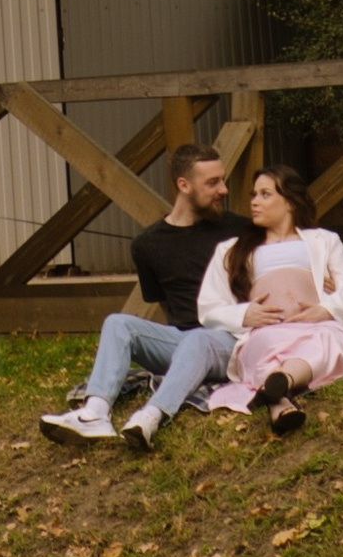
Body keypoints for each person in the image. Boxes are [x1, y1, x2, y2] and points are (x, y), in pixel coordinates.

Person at [41, 139, 242, 452]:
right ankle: (95, 413)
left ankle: (152, 415)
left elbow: (291, 243)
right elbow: (166, 306)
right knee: (118, 323)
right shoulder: (147, 245)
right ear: (184, 185)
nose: (224, 190)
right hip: (183, 339)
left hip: (230, 341)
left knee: (200, 339)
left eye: (223, 180)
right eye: (213, 182)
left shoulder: (239, 230)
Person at [198, 164, 343, 433]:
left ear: (289, 202)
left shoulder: (323, 241)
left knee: (329, 340)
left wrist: (325, 309)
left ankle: (280, 391)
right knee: (265, 349)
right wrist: (245, 315)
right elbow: (208, 307)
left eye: (265, 194)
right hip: (267, 331)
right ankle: (281, 391)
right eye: (253, 195)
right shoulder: (231, 250)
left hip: (316, 326)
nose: (254, 202)